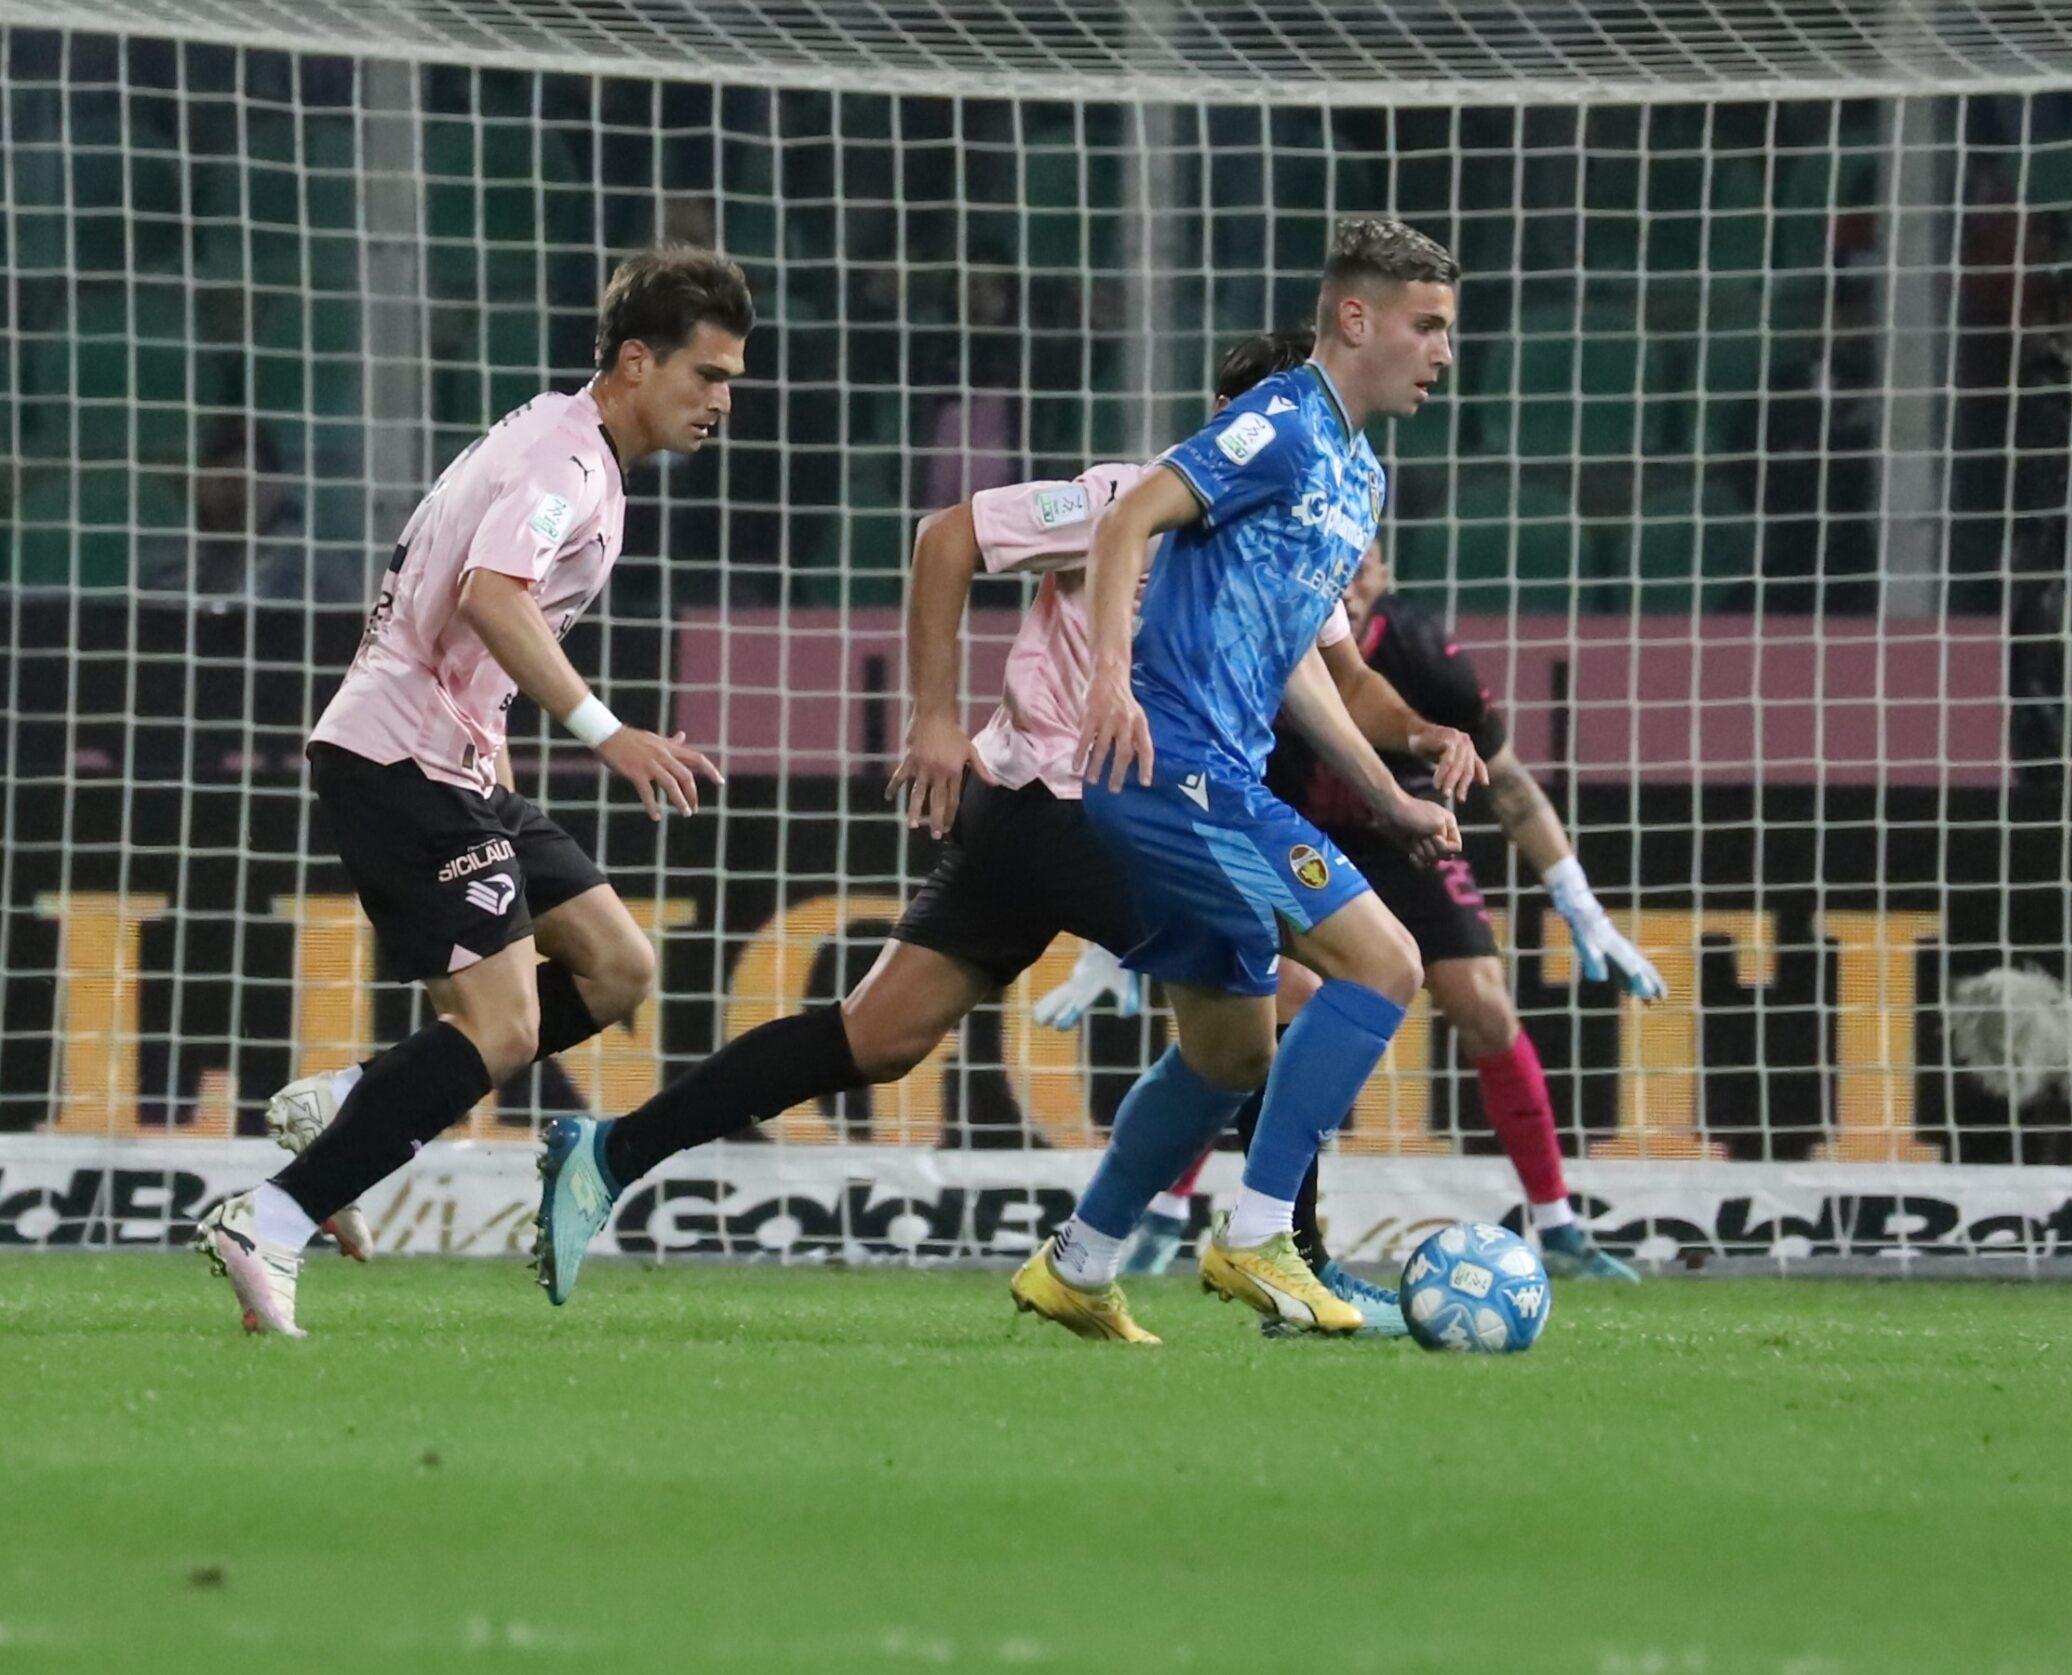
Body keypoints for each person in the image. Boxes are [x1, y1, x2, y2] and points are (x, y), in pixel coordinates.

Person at [523, 326, 1481, 1304]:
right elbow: (948, 537)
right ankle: (1281, 1263)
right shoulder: (1124, 501)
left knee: (880, 1036)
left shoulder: (1291, 543)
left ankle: (608, 1151)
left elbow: (1338, 679)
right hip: (1052, 802)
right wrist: (932, 718)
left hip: (1083, 817)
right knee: (1281, 1002)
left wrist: (1421, 736)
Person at [193, 245, 751, 1337]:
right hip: (400, 758)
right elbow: (492, 594)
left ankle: (352, 1100)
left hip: (459, 758)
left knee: (618, 967)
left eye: (730, 380)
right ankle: (270, 1216)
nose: (721, 402)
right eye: (708, 376)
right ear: (636, 362)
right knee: (500, 1029)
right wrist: (607, 732)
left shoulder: (568, 441)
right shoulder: (568, 464)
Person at [1009, 218, 1463, 1344]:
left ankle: (1080, 1262)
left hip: (1215, 768)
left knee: (1229, 1050)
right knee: (1383, 963)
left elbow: (1299, 659)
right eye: (1429, 326)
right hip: (1173, 769)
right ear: (1355, 318)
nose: (1445, 352)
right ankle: (1259, 1232)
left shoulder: (1359, 476)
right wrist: (1109, 679)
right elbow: (1128, 515)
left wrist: (1387, 791)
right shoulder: (1280, 420)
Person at [1060, 541, 1663, 1294]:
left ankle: (1559, 1223)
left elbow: (1507, 787)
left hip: (1402, 838)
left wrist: (1582, 907)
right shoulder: (1248, 625)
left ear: (1381, 576)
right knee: (1254, 1011)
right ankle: (1187, 1219)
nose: (1346, 577)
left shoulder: (1421, 655)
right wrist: (1113, 939)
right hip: (1282, 831)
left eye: (1363, 563)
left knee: (1480, 1000)